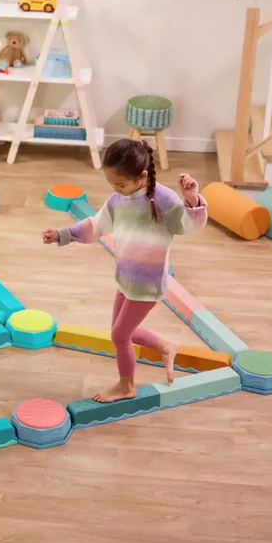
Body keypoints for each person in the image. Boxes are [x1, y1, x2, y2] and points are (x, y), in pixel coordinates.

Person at [43, 139, 207, 403]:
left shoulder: (164, 200)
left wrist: (191, 199)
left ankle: (126, 386)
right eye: (112, 185)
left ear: (142, 176)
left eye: (120, 185)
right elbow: (95, 225)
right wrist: (64, 234)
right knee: (120, 332)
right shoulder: (118, 199)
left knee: (120, 336)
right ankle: (166, 346)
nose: (116, 190)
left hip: (147, 284)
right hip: (125, 279)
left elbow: (188, 224)